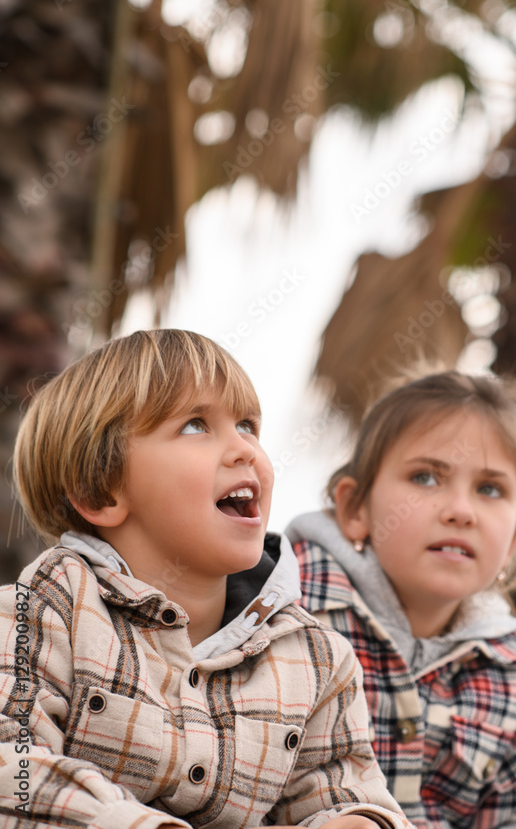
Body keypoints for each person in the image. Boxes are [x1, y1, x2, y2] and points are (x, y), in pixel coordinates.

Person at [0, 328, 415, 829]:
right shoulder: (42, 610)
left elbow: (339, 791)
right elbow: (14, 766)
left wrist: (354, 821)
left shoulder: (318, 658)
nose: (244, 450)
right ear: (101, 492)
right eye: (196, 425)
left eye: (247, 425)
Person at [286, 370, 516, 829]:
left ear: (512, 542)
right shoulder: (285, 604)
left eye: (490, 489)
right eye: (426, 477)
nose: (461, 511)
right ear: (355, 509)